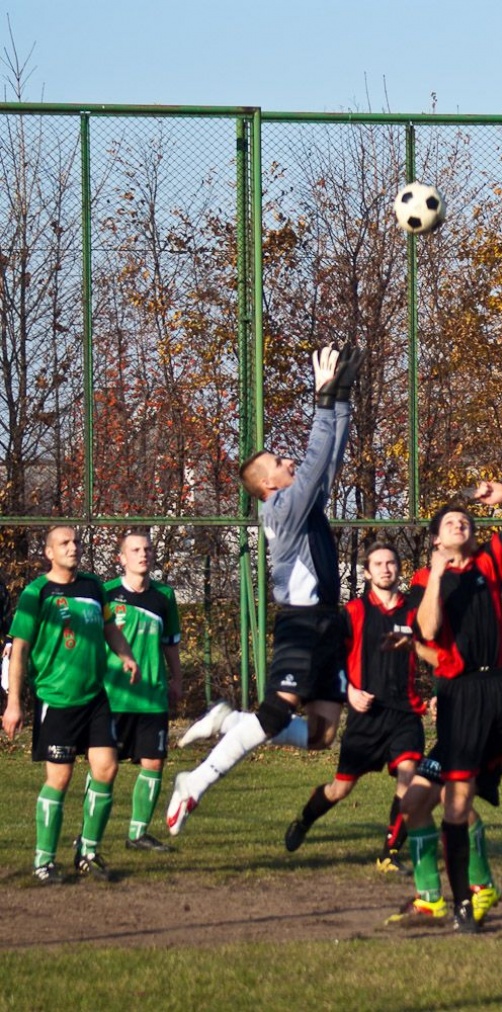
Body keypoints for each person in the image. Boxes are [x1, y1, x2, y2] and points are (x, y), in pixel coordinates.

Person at [166, 342, 364, 835]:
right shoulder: (281, 508)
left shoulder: (295, 502)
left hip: (325, 623)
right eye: (278, 460)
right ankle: (195, 781)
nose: (288, 460)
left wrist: (340, 399)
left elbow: (328, 463)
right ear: (268, 484)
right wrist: (322, 401)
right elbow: (318, 461)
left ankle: (230, 722)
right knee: (276, 714)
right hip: (301, 624)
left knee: (320, 735)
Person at [386, 482, 502, 933]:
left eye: (467, 521)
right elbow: (429, 633)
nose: (461, 523)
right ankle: (441, 898)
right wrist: (437, 575)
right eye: (451, 522)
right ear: (436, 538)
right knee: (419, 803)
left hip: (495, 688)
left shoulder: (490, 560)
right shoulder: (421, 580)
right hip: (458, 699)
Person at [1, 526, 140, 883]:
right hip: (57, 699)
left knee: (107, 769)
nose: (72, 547)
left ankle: (88, 851)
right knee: (60, 778)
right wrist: (13, 703)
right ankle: (43, 860)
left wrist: (125, 655)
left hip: (95, 696)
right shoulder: (37, 592)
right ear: (49, 552)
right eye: (64, 543)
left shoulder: (93, 587)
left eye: (75, 541)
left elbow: (110, 628)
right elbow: (19, 651)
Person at [283, 541, 428, 873]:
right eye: (378, 564)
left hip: (405, 713)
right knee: (340, 789)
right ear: (367, 572)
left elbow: (432, 652)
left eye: (391, 563)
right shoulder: (353, 613)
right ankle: (305, 819)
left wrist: (436, 692)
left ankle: (389, 855)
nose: (385, 569)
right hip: (366, 716)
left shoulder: (414, 612)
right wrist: (350, 692)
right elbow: (332, 660)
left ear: (399, 569)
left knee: (409, 777)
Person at [104, 529, 182, 852]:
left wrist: (177, 679)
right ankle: (87, 832)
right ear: (122, 558)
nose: (143, 554)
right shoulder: (105, 593)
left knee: (153, 763)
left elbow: (171, 644)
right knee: (105, 766)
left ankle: (138, 834)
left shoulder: (164, 595)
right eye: (135, 550)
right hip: (113, 697)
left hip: (152, 696)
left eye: (147, 549)